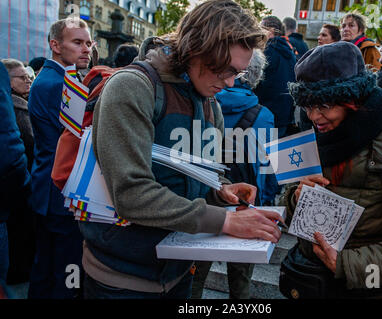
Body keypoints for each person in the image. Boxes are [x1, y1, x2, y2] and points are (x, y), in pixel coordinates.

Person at [80, 0, 283, 299]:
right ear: (196, 50)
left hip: (179, 273)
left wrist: (221, 191)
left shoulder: (209, 101)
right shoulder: (132, 87)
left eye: (237, 74)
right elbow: (131, 194)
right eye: (225, 70)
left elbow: (197, 178)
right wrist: (225, 220)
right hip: (122, 279)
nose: (229, 83)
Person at [283, 41, 382, 298]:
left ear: (353, 98)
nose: (313, 116)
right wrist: (296, 198)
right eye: (307, 106)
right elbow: (290, 214)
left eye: (323, 105)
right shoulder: (312, 134)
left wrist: (347, 266)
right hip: (308, 283)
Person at [191, 49, 275, 299]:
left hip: (205, 200)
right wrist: (265, 202)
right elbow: (267, 169)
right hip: (245, 203)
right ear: (256, 76)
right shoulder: (264, 115)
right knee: (240, 281)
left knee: (195, 276)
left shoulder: (201, 103)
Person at [27, 18, 93, 299]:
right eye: (77, 42)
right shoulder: (58, 83)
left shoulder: (54, 78)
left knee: (46, 266)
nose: (86, 49)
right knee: (67, 273)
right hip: (61, 192)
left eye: (89, 43)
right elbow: (75, 141)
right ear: (55, 45)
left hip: (48, 190)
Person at [1, 58, 36, 285]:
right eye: (21, 77)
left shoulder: (23, 102)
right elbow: (21, 148)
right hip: (14, 192)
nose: (27, 80)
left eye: (28, 76)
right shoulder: (16, 108)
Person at [254, 16, 296, 139]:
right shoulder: (289, 50)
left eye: (261, 28)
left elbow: (254, 80)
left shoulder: (267, 50)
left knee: (259, 154)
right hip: (284, 113)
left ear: (271, 30)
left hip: (265, 112)